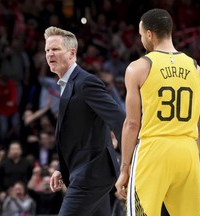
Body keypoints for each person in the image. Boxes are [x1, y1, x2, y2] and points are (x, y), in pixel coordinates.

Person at [115, 8, 200, 215]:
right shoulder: (197, 70)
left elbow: (131, 123)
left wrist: (124, 168)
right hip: (188, 152)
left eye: (140, 34)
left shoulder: (138, 68)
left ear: (149, 34)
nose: (141, 38)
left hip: (153, 151)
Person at [44, 26, 125, 216]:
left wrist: (128, 164)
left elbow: (119, 119)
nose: (49, 54)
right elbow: (75, 136)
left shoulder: (85, 82)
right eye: (47, 50)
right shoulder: (68, 83)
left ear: (72, 53)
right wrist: (61, 168)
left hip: (92, 173)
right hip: (88, 171)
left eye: (55, 49)